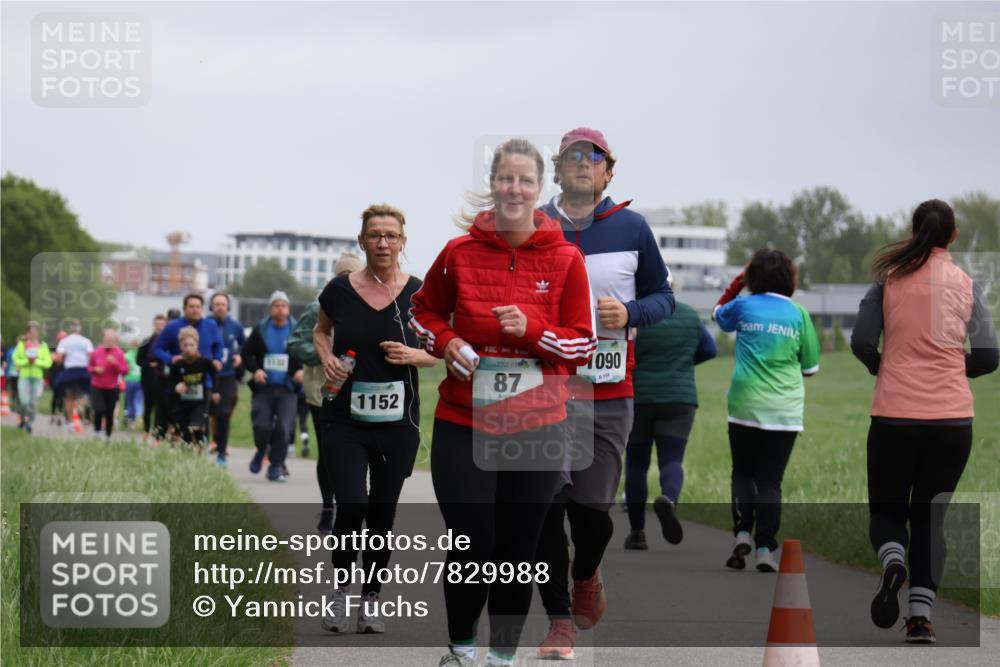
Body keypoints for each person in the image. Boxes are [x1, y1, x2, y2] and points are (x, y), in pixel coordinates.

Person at [410, 139, 596, 667]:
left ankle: (501, 657)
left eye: (525, 180)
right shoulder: (458, 253)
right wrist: (448, 344)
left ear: (541, 189)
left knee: (517, 551)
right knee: (473, 542)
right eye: (505, 178)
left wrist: (533, 330)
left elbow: (582, 343)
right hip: (464, 421)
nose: (514, 188)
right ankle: (461, 648)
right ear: (492, 184)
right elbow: (421, 315)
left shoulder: (566, 259)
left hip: (536, 426)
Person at [534, 127, 674, 658]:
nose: (582, 166)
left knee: (592, 511)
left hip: (610, 387)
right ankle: (559, 622)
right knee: (548, 501)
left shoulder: (632, 227)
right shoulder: (536, 225)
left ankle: (586, 572)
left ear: (608, 172)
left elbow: (664, 296)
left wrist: (631, 312)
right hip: (545, 386)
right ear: (558, 169)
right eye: (572, 158)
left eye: (593, 159)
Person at [851, 199, 998, 644]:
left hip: (895, 416)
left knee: (887, 512)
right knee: (931, 519)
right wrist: (956, 369)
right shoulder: (966, 284)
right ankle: (920, 620)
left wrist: (883, 364)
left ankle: (893, 560)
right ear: (952, 237)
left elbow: (860, 340)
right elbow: (990, 355)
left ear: (914, 231)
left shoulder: (888, 280)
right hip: (952, 422)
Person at [313, 206, 435, 635]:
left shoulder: (422, 293)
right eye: (375, 235)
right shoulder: (339, 290)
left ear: (403, 241)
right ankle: (341, 590)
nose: (383, 243)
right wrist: (327, 358)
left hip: (398, 422)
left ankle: (371, 600)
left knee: (382, 515)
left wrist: (417, 355)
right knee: (352, 505)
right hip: (344, 417)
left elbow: (448, 345)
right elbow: (320, 330)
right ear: (362, 241)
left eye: (391, 236)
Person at [712, 249, 820, 572]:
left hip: (744, 404)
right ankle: (765, 550)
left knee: (743, 473)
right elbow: (811, 368)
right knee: (771, 481)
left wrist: (735, 286)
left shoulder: (743, 305)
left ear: (752, 278)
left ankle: (742, 532)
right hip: (785, 411)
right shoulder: (799, 314)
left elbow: (718, 314)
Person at [623, 274, 717, 550]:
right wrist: (684, 365)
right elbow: (710, 349)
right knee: (672, 459)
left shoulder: (635, 316)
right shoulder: (688, 314)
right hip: (680, 399)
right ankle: (669, 498)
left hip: (639, 397)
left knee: (637, 464)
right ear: (670, 287)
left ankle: (637, 532)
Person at [289, 251, 365, 532]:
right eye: (342, 276)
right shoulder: (316, 307)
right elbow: (296, 343)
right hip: (320, 390)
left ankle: (351, 507)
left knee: (353, 452)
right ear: (335, 277)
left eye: (352, 275)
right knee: (329, 451)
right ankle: (327, 507)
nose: (347, 281)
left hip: (356, 391)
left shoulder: (367, 304)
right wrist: (325, 355)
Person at [242, 290, 303, 482]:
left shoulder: (297, 330)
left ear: (288, 309)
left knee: (284, 428)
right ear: (270, 309)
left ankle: (276, 466)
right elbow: (245, 355)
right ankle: (262, 450)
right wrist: (256, 370)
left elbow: (307, 353)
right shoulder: (260, 329)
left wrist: (302, 371)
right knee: (261, 425)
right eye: (276, 305)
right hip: (264, 386)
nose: (280, 308)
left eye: (283, 305)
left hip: (287, 387)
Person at [153, 296, 222, 441]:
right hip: (181, 381)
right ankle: (181, 447)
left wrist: (217, 359)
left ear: (202, 309)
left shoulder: (211, 325)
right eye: (191, 306)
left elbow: (218, 346)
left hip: (204, 381)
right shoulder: (172, 327)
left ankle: (200, 454)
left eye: (198, 306)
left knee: (201, 422)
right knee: (181, 421)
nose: (195, 310)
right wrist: (171, 359)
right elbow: (157, 349)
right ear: (184, 308)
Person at [209, 292, 246, 466]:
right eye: (217, 304)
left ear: (228, 307)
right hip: (208, 374)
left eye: (223, 304)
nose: (220, 307)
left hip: (227, 375)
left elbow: (245, 345)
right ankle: (203, 445)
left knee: (224, 414)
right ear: (211, 307)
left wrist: (239, 356)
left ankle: (221, 453)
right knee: (206, 412)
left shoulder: (236, 326)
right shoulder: (206, 324)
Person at [171, 326, 220, 449]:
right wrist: (177, 386)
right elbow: (171, 381)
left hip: (200, 401)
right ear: (180, 346)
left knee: (196, 426)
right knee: (185, 432)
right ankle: (190, 453)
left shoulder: (204, 362)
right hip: (183, 403)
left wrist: (215, 391)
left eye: (191, 345)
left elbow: (215, 375)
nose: (188, 348)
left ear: (197, 345)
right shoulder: (178, 364)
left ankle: (201, 445)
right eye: (185, 345)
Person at [12, 321, 53, 434]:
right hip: (24, 376)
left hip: (37, 378)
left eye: (35, 331)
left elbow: (48, 362)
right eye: (31, 331)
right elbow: (15, 358)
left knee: (33, 403)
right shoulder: (22, 344)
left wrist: (36, 361)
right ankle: (23, 417)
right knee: (24, 401)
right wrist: (26, 361)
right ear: (27, 333)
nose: (33, 333)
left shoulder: (43, 346)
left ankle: (29, 423)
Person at [87, 328, 129, 438]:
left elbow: (125, 370)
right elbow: (89, 367)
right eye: (107, 339)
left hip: (112, 387)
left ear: (115, 341)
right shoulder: (97, 352)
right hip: (97, 386)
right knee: (98, 409)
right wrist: (95, 369)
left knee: (109, 412)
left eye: (111, 340)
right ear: (103, 339)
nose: (109, 342)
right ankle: (97, 431)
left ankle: (108, 435)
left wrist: (115, 363)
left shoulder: (119, 353)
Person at [54, 319, 94, 426]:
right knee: (86, 395)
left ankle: (71, 422)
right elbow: (91, 358)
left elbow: (59, 359)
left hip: (70, 371)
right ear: (80, 328)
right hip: (84, 370)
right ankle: (81, 407)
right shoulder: (86, 341)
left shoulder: (64, 341)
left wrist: (56, 358)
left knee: (69, 397)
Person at [137, 315, 168, 442]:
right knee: (148, 406)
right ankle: (146, 430)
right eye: (157, 324)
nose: (159, 327)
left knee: (160, 407)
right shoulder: (146, 342)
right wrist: (149, 364)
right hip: (148, 379)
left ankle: (158, 433)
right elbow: (138, 360)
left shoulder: (168, 343)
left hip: (163, 379)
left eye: (162, 324)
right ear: (153, 325)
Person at [122, 337, 144, 429]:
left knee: (130, 401)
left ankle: (131, 420)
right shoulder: (142, 355)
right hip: (140, 380)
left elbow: (123, 369)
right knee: (138, 400)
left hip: (129, 380)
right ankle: (139, 416)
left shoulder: (126, 355)